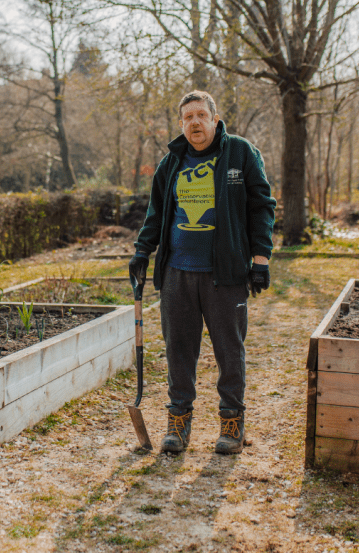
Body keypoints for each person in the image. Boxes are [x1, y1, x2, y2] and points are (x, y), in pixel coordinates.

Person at [129, 90, 276, 455]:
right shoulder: (171, 162)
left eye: (200, 115)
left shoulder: (240, 153)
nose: (194, 122)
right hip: (177, 273)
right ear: (181, 124)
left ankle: (231, 422)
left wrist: (261, 258)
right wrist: (142, 251)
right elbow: (156, 213)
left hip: (224, 273)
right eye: (187, 117)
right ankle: (178, 422)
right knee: (179, 351)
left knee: (230, 350)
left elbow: (262, 206)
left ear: (214, 119)